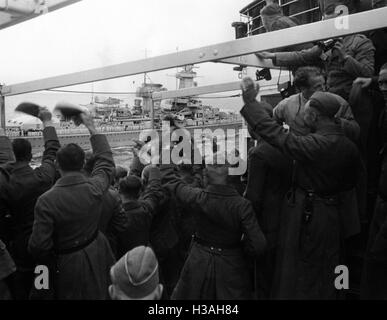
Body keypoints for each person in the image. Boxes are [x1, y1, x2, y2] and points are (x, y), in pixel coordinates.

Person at [240, 77, 362, 299]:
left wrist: (250, 103)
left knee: (306, 269)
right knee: (336, 266)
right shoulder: (349, 146)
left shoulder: (317, 145)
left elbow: (278, 137)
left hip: (313, 217)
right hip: (336, 215)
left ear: (314, 116)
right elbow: (353, 182)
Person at [28, 111, 115, 300]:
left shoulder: (45, 200)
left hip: (66, 262)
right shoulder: (95, 188)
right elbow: (106, 163)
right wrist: (91, 127)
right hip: (97, 252)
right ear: (83, 162)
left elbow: (38, 246)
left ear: (57, 164)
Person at [160, 158, 266, 300]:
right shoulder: (242, 206)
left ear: (206, 176)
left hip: (198, 260)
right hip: (231, 264)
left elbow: (171, 182)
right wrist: (239, 251)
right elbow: (259, 245)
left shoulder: (198, 197)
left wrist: (163, 155)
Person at [257, 0, 375, 101]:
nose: (326, 21)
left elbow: (368, 73)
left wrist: (346, 58)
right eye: (325, 20)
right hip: (331, 100)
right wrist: (273, 56)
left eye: (329, 15)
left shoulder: (360, 42)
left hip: (354, 100)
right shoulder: (327, 43)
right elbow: (303, 55)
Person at [0, 108, 60, 300]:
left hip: (15, 245)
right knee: (42, 284)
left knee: (20, 283)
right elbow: (52, 150)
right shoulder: (42, 177)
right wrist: (48, 122)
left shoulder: (5, 182)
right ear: (31, 154)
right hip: (42, 242)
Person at [273, 66, 360, 140]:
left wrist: (335, 122)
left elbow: (355, 131)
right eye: (318, 87)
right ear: (302, 88)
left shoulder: (339, 102)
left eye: (324, 85)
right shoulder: (286, 105)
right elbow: (271, 122)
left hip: (331, 152)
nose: (323, 89)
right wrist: (283, 138)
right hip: (302, 155)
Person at [361, 62, 387, 299]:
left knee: (378, 260)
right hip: (381, 195)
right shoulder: (383, 111)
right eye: (381, 83)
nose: (384, 88)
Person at [115, 165, 165, 259]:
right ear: (139, 193)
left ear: (119, 190)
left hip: (122, 259)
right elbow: (154, 191)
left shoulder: (115, 216)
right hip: (144, 255)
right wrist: (152, 169)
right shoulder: (146, 208)